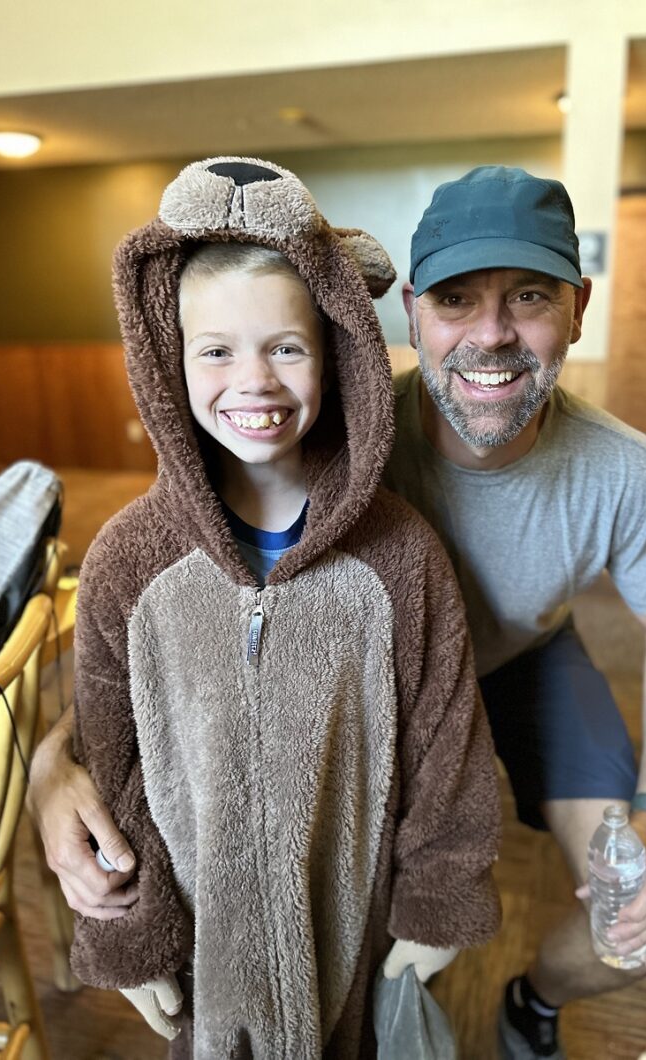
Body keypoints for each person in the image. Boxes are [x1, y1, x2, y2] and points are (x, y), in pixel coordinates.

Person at [29, 164, 646, 1060]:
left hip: (527, 656)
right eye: (458, 299)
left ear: (577, 308)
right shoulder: (334, 437)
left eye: (531, 297)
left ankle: (531, 999)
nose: (492, 335)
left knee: (637, 920)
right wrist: (51, 762)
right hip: (375, 689)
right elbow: (178, 658)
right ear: (410, 312)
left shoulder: (624, 471)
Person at [50, 156, 501, 1059]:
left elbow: (445, 740)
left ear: (335, 359)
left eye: (285, 347)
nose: (252, 381)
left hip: (352, 937)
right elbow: (111, 761)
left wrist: (441, 900)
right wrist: (129, 933)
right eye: (215, 350)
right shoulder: (127, 564)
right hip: (199, 947)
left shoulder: (400, 555)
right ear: (166, 364)